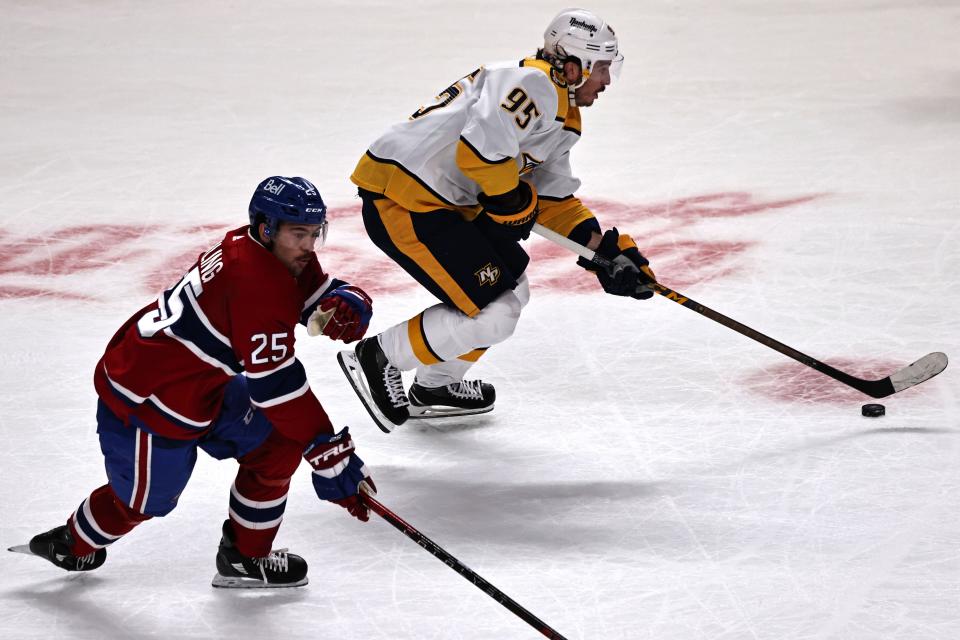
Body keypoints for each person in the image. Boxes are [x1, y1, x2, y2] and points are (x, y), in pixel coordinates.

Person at [15, 177, 376, 588]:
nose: (309, 246)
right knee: (143, 503)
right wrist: (327, 449)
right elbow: (277, 387)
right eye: (299, 234)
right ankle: (72, 544)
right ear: (266, 228)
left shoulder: (257, 247)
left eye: (315, 233)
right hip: (149, 398)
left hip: (201, 384)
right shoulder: (255, 285)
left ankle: (244, 556)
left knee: (278, 442)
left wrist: (344, 295)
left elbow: (304, 288)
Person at [339, 8, 656, 432]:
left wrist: (606, 251)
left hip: (445, 204)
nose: (607, 81)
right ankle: (378, 356)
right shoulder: (534, 83)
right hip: (407, 200)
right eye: (601, 68)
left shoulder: (561, 116)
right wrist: (509, 202)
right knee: (496, 311)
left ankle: (435, 386)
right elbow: (480, 152)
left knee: (513, 289)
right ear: (574, 64)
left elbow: (553, 199)